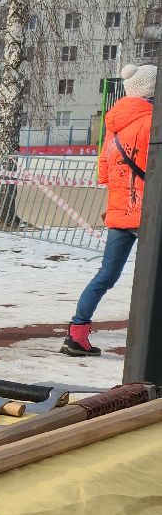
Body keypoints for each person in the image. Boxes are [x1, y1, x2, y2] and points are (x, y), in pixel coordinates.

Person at [64, 63, 154, 357]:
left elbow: (104, 174)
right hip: (149, 214)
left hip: (119, 213)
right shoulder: (151, 123)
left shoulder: (114, 127)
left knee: (106, 275)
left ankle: (77, 334)